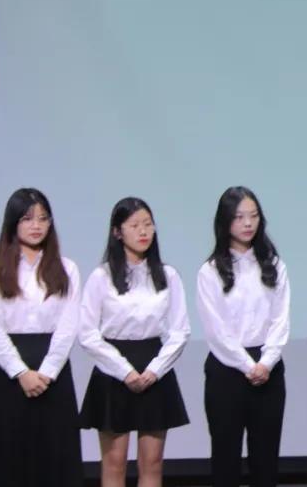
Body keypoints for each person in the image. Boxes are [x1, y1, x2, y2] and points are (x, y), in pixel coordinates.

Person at [78, 197, 191, 487]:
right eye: (135, 225)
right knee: (114, 463)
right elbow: (88, 333)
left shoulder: (168, 275)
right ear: (117, 232)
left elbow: (180, 331)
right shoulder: (101, 276)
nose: (143, 231)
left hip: (155, 368)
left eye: (148, 224)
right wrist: (124, 371)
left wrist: (154, 370)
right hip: (113, 370)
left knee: (152, 463)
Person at [0, 188, 83, 487]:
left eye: (43, 218)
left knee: (55, 456)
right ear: (13, 223)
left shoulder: (68, 269)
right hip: (8, 374)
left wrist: (47, 372)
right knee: (7, 457)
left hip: (53, 373)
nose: (36, 225)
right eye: (27, 219)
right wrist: (21, 373)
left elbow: (68, 326)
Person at [197, 187, 290, 487]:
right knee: (226, 458)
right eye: (239, 217)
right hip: (227, 370)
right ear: (225, 222)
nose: (248, 223)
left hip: (269, 369)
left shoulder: (274, 265)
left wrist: (266, 362)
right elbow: (216, 330)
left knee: (266, 459)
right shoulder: (210, 271)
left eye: (253, 216)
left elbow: (280, 319)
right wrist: (248, 365)